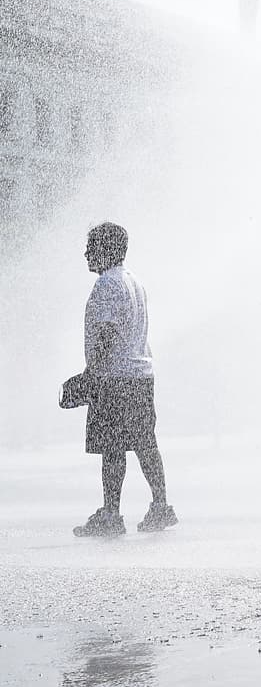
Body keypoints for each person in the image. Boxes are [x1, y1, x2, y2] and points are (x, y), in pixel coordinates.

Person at [67, 222, 178, 537]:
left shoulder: (107, 284)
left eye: (91, 246)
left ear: (106, 249)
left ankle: (111, 514)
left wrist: (90, 375)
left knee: (112, 448)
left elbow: (108, 332)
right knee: (145, 442)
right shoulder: (134, 281)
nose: (86, 252)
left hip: (115, 376)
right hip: (141, 374)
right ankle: (160, 506)